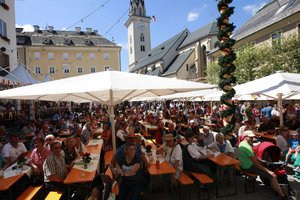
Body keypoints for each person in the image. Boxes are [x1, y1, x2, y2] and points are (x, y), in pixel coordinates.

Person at [237, 130, 287, 200]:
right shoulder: (248, 148)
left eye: (253, 137)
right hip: (248, 167)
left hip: (243, 164)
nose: (253, 139)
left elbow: (253, 158)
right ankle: (282, 196)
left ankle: (275, 186)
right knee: (273, 175)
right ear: (245, 137)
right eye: (251, 138)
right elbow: (256, 164)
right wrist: (269, 172)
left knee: (267, 166)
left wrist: (262, 161)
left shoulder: (242, 143)